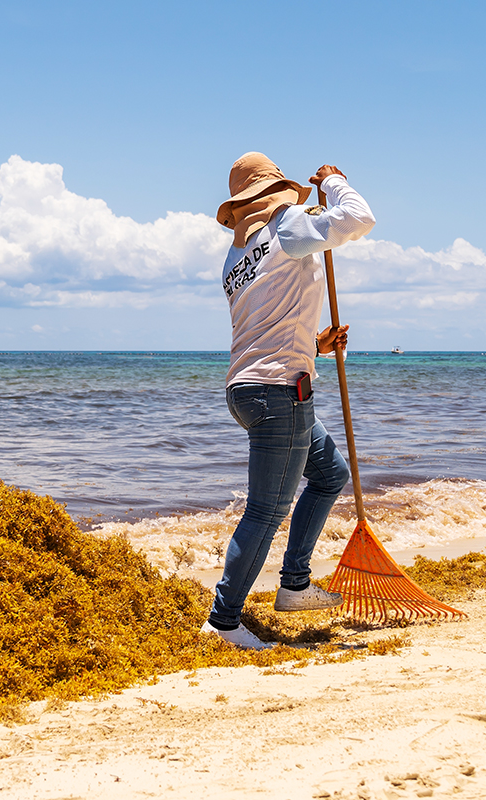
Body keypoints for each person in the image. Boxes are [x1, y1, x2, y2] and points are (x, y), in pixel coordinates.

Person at [203, 152, 376, 650]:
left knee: (329, 475)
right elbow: (359, 218)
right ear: (275, 194)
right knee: (266, 509)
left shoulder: (236, 258)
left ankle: (295, 584)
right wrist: (337, 181)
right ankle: (223, 622)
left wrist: (313, 345)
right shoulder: (287, 227)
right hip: (280, 392)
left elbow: (266, 322)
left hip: (249, 388)